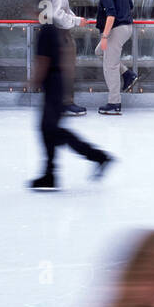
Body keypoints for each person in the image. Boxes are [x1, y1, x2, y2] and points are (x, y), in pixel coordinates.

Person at [28, 22, 113, 191]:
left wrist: (34, 81)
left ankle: (96, 157)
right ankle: (52, 172)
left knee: (51, 130)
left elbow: (44, 60)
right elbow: (65, 54)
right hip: (58, 85)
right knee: (50, 130)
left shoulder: (46, 30)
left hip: (54, 86)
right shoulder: (56, 29)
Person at [89, 0, 138, 115]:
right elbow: (130, 5)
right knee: (99, 52)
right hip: (127, 28)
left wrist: (105, 36)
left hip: (116, 30)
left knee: (110, 67)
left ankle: (114, 103)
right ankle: (127, 74)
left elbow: (111, 15)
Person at [43, 0, 88, 115]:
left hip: (49, 32)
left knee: (56, 70)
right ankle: (67, 103)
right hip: (61, 35)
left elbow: (49, 14)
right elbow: (58, 14)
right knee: (68, 69)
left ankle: (56, 101)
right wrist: (76, 21)